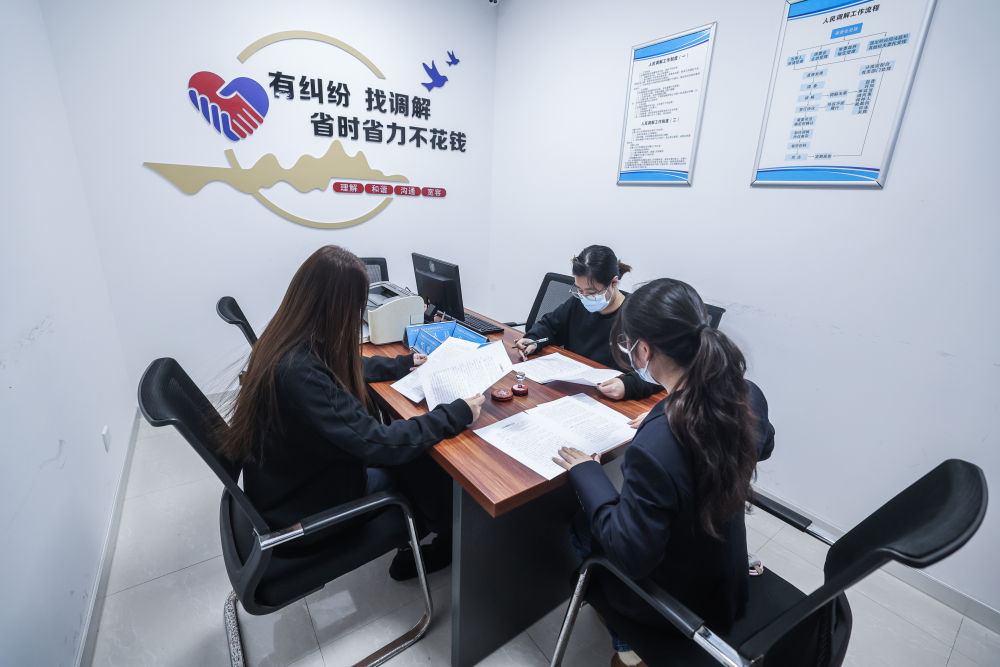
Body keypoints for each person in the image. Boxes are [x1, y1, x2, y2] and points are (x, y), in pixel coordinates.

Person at [220, 245, 484, 580]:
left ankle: (430, 534)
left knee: (413, 446)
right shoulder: (300, 373)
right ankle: (447, 541)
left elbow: (335, 365)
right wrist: (457, 412)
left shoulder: (285, 342)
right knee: (420, 460)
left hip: (289, 486)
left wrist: (398, 365)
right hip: (305, 514)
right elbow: (380, 444)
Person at [553, 278, 775, 667]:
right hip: (727, 579)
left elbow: (631, 556)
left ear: (643, 349)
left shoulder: (657, 446)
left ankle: (628, 650)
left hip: (679, 609)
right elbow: (764, 445)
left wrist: (588, 471)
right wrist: (666, 412)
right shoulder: (745, 393)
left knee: (582, 525)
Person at [514, 245, 660, 402]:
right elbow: (550, 325)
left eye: (591, 292)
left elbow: (660, 370)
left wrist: (628, 385)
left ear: (613, 282)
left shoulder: (637, 315)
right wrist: (533, 339)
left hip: (614, 400)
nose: (584, 297)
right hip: (573, 391)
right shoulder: (579, 302)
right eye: (579, 289)